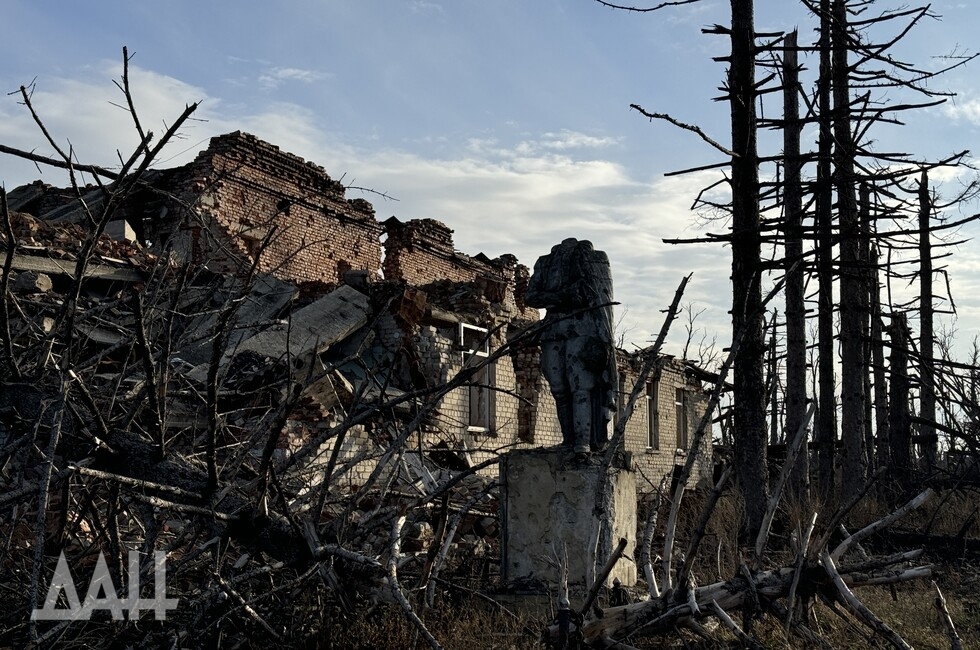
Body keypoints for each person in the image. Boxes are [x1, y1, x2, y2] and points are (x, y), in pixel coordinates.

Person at [525, 238, 617, 456]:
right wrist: (562, 296)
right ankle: (568, 440)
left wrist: (603, 339)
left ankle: (582, 443)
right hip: (553, 330)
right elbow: (531, 297)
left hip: (583, 330)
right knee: (558, 388)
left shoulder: (595, 259)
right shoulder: (545, 262)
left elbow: (602, 299)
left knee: (581, 387)